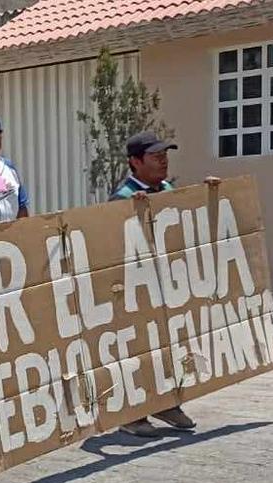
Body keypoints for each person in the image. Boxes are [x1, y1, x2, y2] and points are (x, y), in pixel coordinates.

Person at [109, 131, 197, 437]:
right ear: (135, 162)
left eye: (165, 155)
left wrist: (209, 196)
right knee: (138, 349)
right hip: (137, 288)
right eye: (156, 156)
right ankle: (131, 414)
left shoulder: (168, 189)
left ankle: (165, 402)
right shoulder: (121, 199)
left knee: (168, 344)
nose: (163, 160)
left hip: (166, 285)